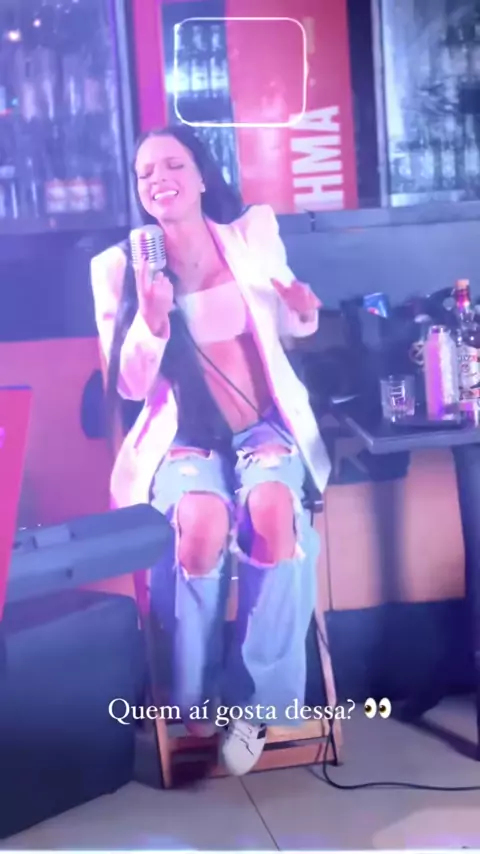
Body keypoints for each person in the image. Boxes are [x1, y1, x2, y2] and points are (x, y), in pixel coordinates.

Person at [90, 124, 331, 777]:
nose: (159, 179)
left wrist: (303, 311)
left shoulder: (250, 236)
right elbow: (128, 386)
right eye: (145, 173)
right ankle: (193, 700)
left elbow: (291, 321)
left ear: (200, 175)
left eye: (173, 164)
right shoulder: (118, 269)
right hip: (183, 438)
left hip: (262, 430)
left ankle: (259, 707)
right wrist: (152, 317)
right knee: (199, 523)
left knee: (272, 507)